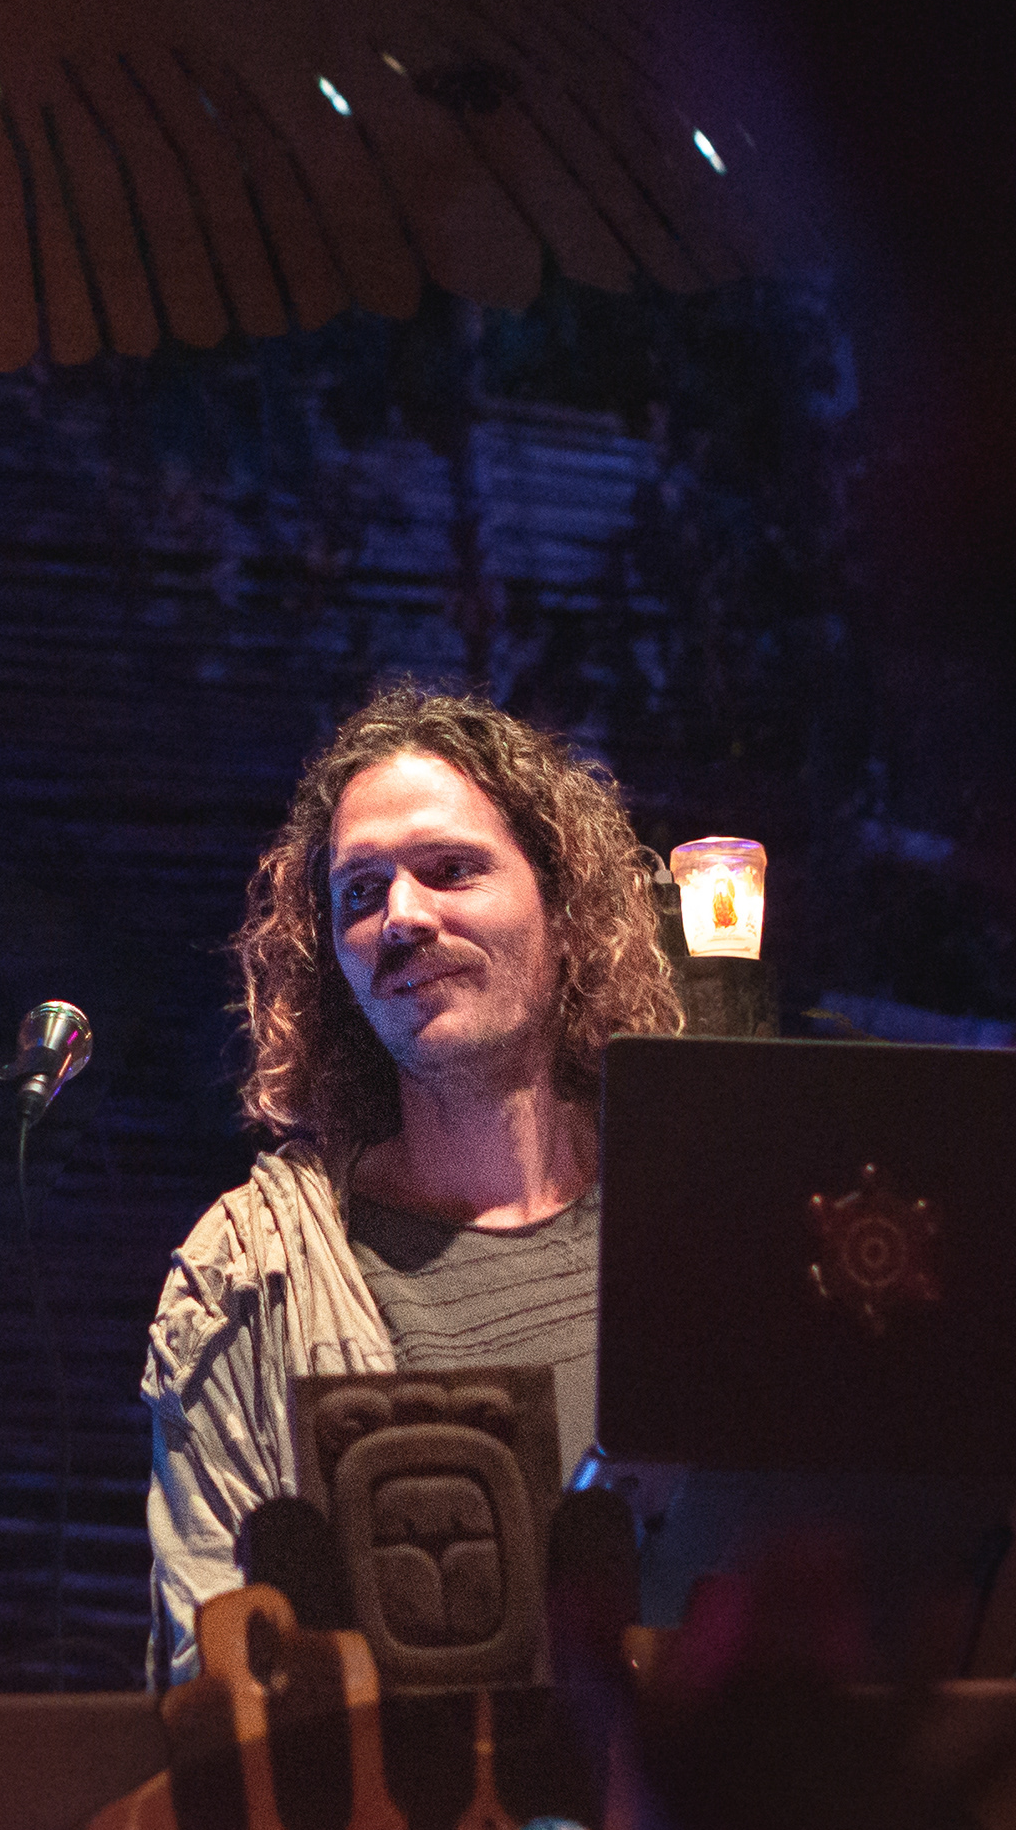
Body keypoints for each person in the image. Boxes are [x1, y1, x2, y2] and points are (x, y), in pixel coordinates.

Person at [142, 680, 680, 1682]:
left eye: (450, 869)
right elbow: (217, 1672)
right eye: (361, 892)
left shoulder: (694, 1221)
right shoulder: (251, 1272)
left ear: (564, 911)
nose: (401, 916)